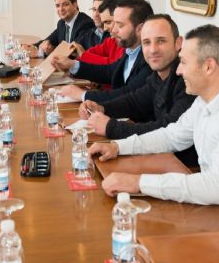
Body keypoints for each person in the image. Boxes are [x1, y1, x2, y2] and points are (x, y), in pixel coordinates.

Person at [89, 25, 219, 255]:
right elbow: (172, 135)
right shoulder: (207, 99)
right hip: (217, 215)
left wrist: (138, 183)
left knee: (150, 248)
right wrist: (118, 146)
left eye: (184, 62)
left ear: (209, 66)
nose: (178, 71)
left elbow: (218, 188)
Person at [78, 14, 197, 166]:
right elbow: (135, 101)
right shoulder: (157, 75)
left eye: (161, 41)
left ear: (178, 43)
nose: (153, 50)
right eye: (146, 42)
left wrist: (111, 127)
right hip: (160, 159)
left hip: (185, 167)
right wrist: (102, 108)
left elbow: (167, 128)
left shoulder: (188, 81)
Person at [52, 0, 153, 103]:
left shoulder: (149, 59)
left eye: (120, 25)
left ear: (140, 29)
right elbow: (109, 71)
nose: (113, 30)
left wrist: (82, 94)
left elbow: (127, 94)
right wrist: (72, 65)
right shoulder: (130, 52)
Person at [30, 0, 95, 56]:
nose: (61, 9)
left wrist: (52, 51)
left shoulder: (85, 23)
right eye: (57, 6)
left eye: (65, 4)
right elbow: (48, 40)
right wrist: (31, 47)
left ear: (75, 4)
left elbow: (73, 51)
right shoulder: (61, 23)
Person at [77, 0, 124, 65]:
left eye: (108, 22)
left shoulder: (126, 41)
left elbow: (115, 66)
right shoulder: (111, 41)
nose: (105, 28)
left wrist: (82, 55)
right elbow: (91, 53)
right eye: (94, 9)